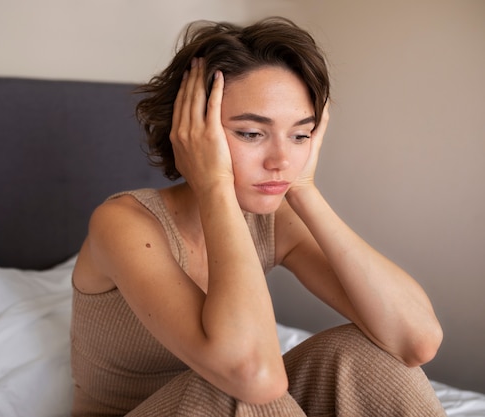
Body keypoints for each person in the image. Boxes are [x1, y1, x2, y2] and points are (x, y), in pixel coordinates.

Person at [70, 16, 446, 416]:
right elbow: (252, 376)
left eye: (301, 135)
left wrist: (304, 189)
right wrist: (214, 183)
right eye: (251, 133)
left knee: (367, 352)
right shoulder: (124, 223)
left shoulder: (274, 218)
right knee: (240, 384)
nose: (281, 160)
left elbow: (415, 341)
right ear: (189, 133)